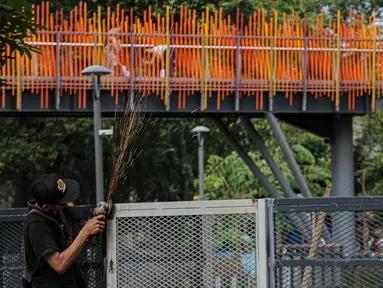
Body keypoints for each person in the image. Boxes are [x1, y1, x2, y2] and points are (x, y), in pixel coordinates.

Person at [23, 173, 105, 288]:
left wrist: (88, 218)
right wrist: (85, 232)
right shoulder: (36, 225)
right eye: (62, 201)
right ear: (46, 207)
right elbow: (59, 265)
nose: (67, 202)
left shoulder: (54, 211)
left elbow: (69, 208)